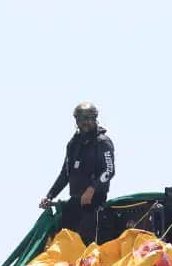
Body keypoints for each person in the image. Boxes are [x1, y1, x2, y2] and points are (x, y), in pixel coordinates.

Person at [39, 101, 115, 244]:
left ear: (95, 119)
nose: (84, 122)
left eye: (88, 118)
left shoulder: (102, 142)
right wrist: (50, 195)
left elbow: (109, 170)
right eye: (81, 119)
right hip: (75, 201)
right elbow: (65, 174)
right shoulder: (73, 144)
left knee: (85, 238)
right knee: (61, 238)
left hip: (94, 202)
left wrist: (92, 189)